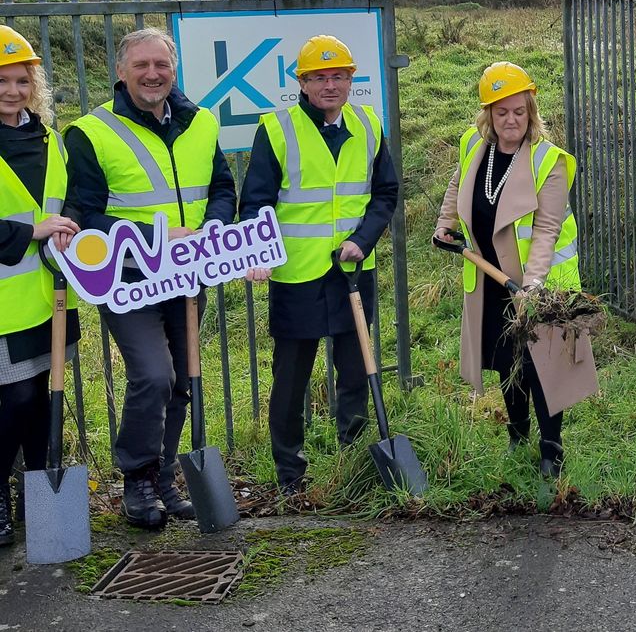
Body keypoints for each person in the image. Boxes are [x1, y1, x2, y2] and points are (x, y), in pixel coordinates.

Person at [65, 27, 237, 528]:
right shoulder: (91, 132)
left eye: (160, 64)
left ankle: (163, 478)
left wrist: (212, 229)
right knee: (153, 375)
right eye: (140, 65)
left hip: (187, 275)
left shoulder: (202, 122)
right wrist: (157, 236)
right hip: (129, 278)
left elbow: (222, 188)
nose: (152, 74)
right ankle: (137, 479)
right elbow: (84, 216)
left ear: (174, 69)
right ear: (121, 72)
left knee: (182, 379)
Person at [240, 35, 400, 494]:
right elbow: (256, 201)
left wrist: (363, 241)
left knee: (355, 369)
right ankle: (290, 471)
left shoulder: (369, 125)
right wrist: (257, 253)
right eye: (319, 77)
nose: (330, 85)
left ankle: (351, 457)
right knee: (291, 378)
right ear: (302, 83)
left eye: (339, 76)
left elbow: (384, 193)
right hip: (297, 274)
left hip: (352, 270)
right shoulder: (277, 128)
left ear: (351, 81)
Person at [435, 62, 597, 479]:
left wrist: (534, 284)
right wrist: (445, 226)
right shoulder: (475, 145)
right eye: (502, 112)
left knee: (547, 366)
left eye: (520, 112)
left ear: (532, 113)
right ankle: (518, 431)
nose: (512, 120)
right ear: (488, 114)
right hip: (491, 277)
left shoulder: (549, 161)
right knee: (508, 359)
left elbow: (546, 229)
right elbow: (458, 185)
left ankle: (551, 448)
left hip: (542, 285)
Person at [0, 28, 80, 547]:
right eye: (0, 81)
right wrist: (34, 233)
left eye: (20, 79)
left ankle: (38, 494)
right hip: (5, 306)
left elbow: (68, 197)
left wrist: (69, 224)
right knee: (14, 401)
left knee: (43, 402)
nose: (11, 90)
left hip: (51, 298)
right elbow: (30, 221)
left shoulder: (49, 137)